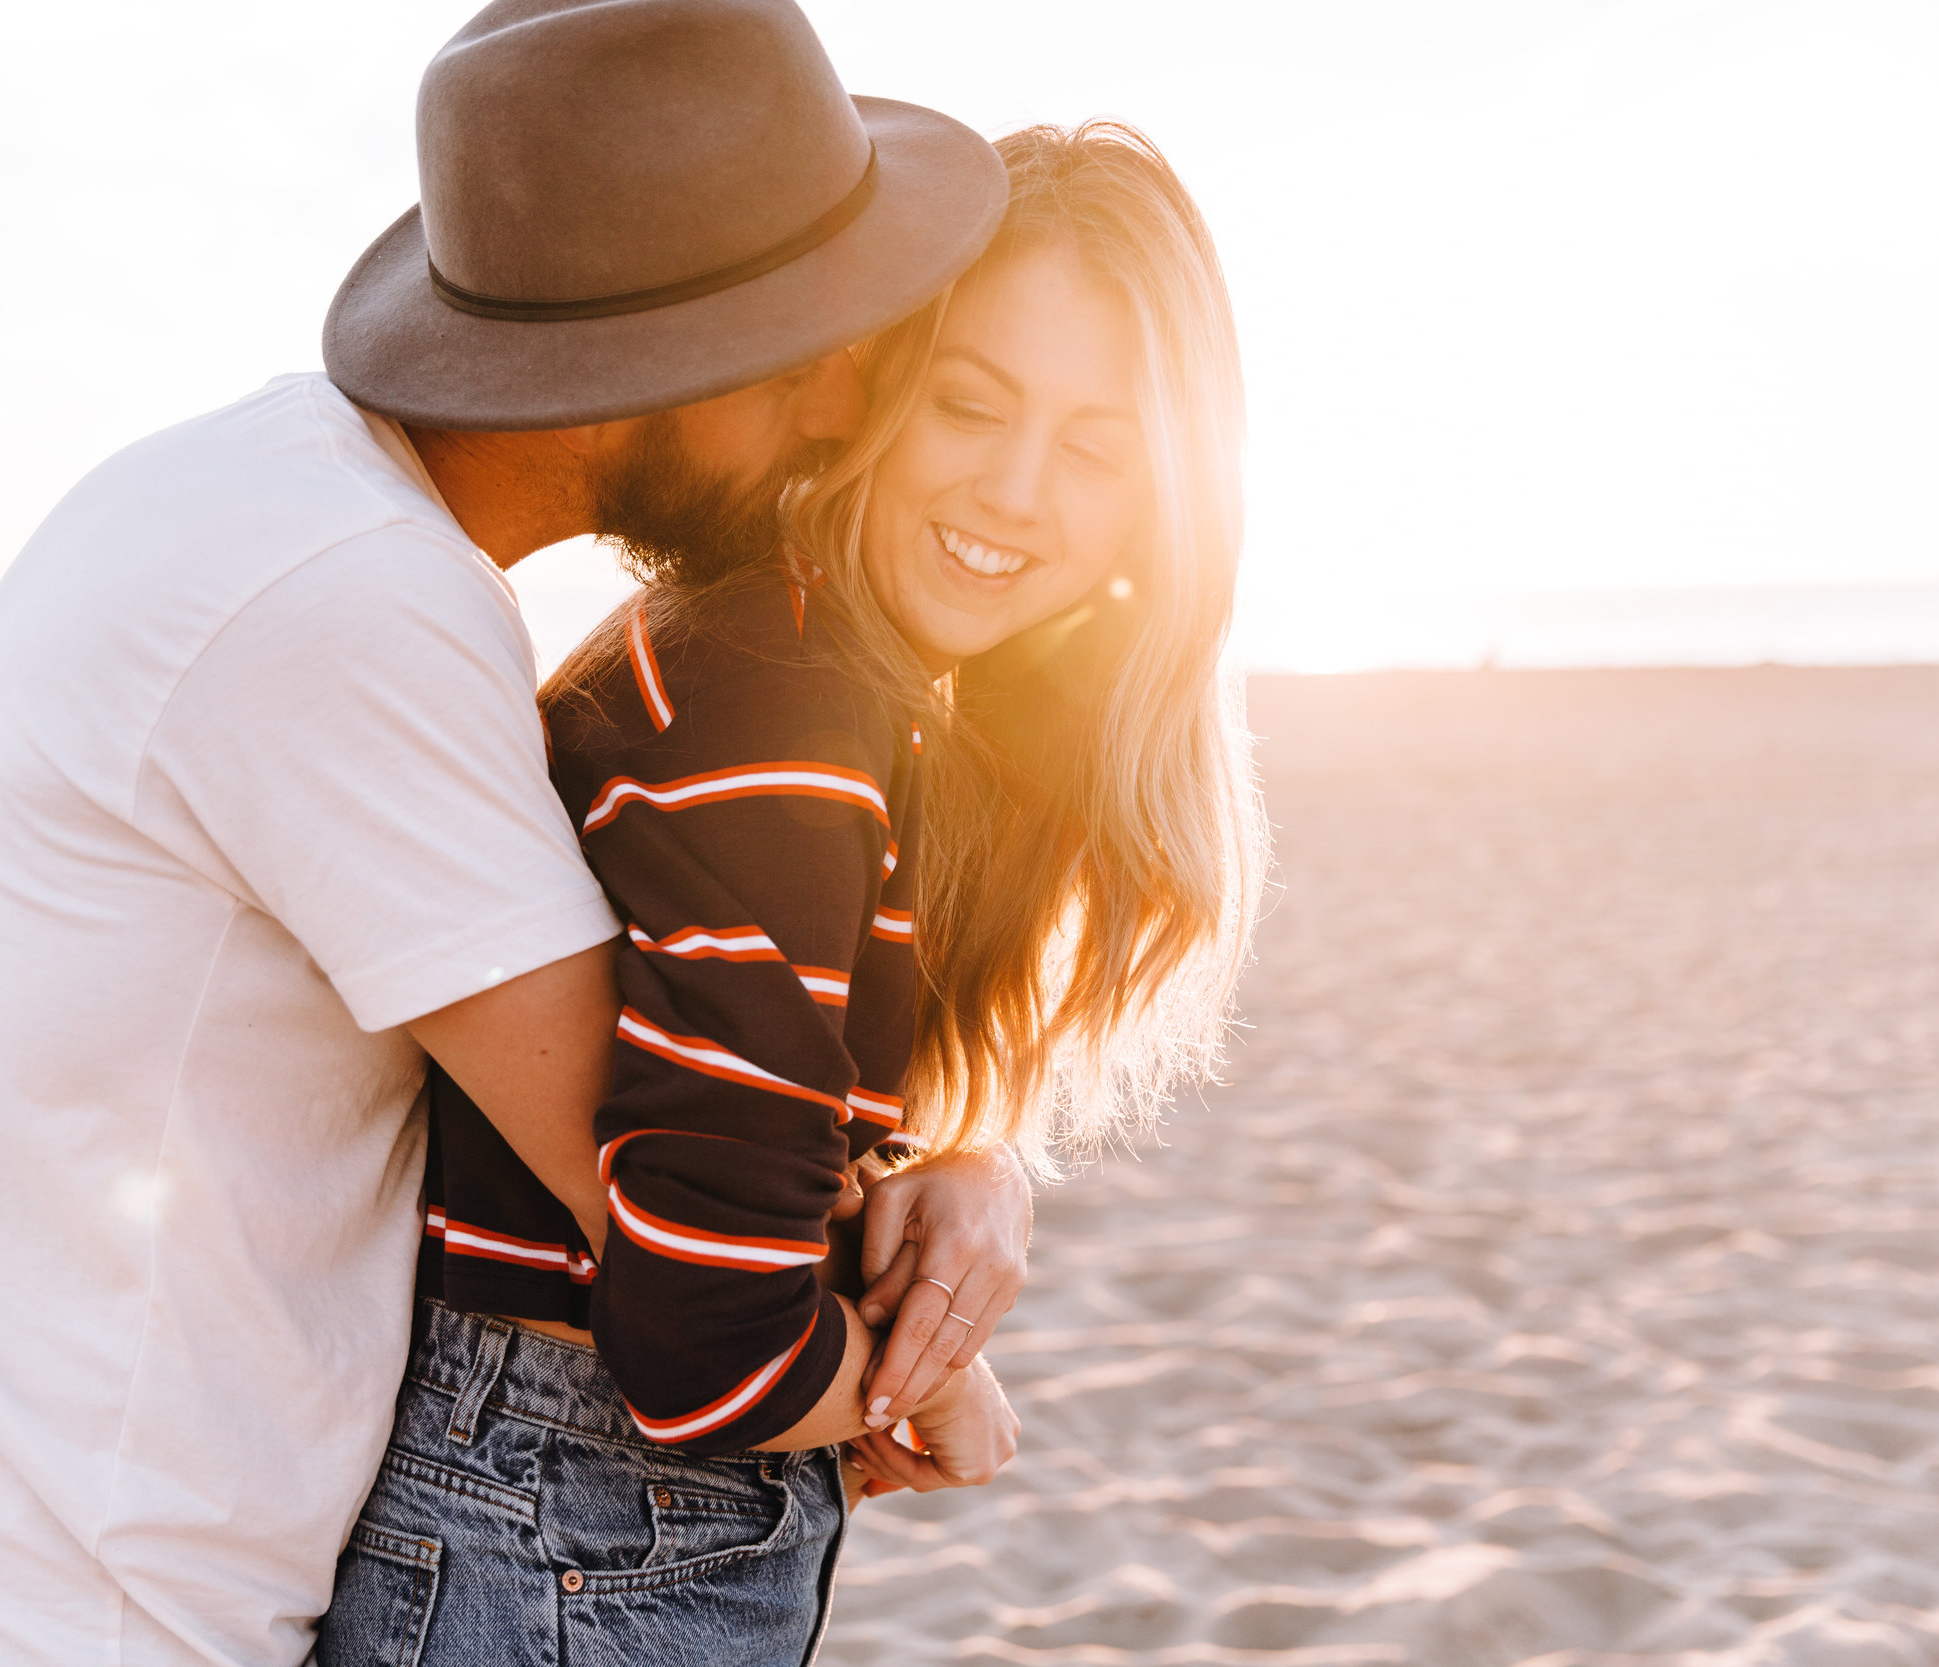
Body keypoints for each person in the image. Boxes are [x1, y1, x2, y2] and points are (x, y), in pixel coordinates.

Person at [0, 3, 1027, 1663]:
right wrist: (924, 1369)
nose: (840, 411)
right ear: (635, 368)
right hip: (103, 1619)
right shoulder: (353, 605)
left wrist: (976, 1164)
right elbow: (678, 1229)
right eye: (805, 348)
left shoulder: (253, 496)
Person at [317, 120, 1265, 1665]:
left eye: (1097, 448)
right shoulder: (782, 722)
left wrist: (960, 1161)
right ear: (875, 391)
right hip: (570, 1522)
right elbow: (711, 1346)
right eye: (971, 404)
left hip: (548, 1513)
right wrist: (929, 1388)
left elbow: (742, 1127)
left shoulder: (795, 671)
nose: (1017, 492)